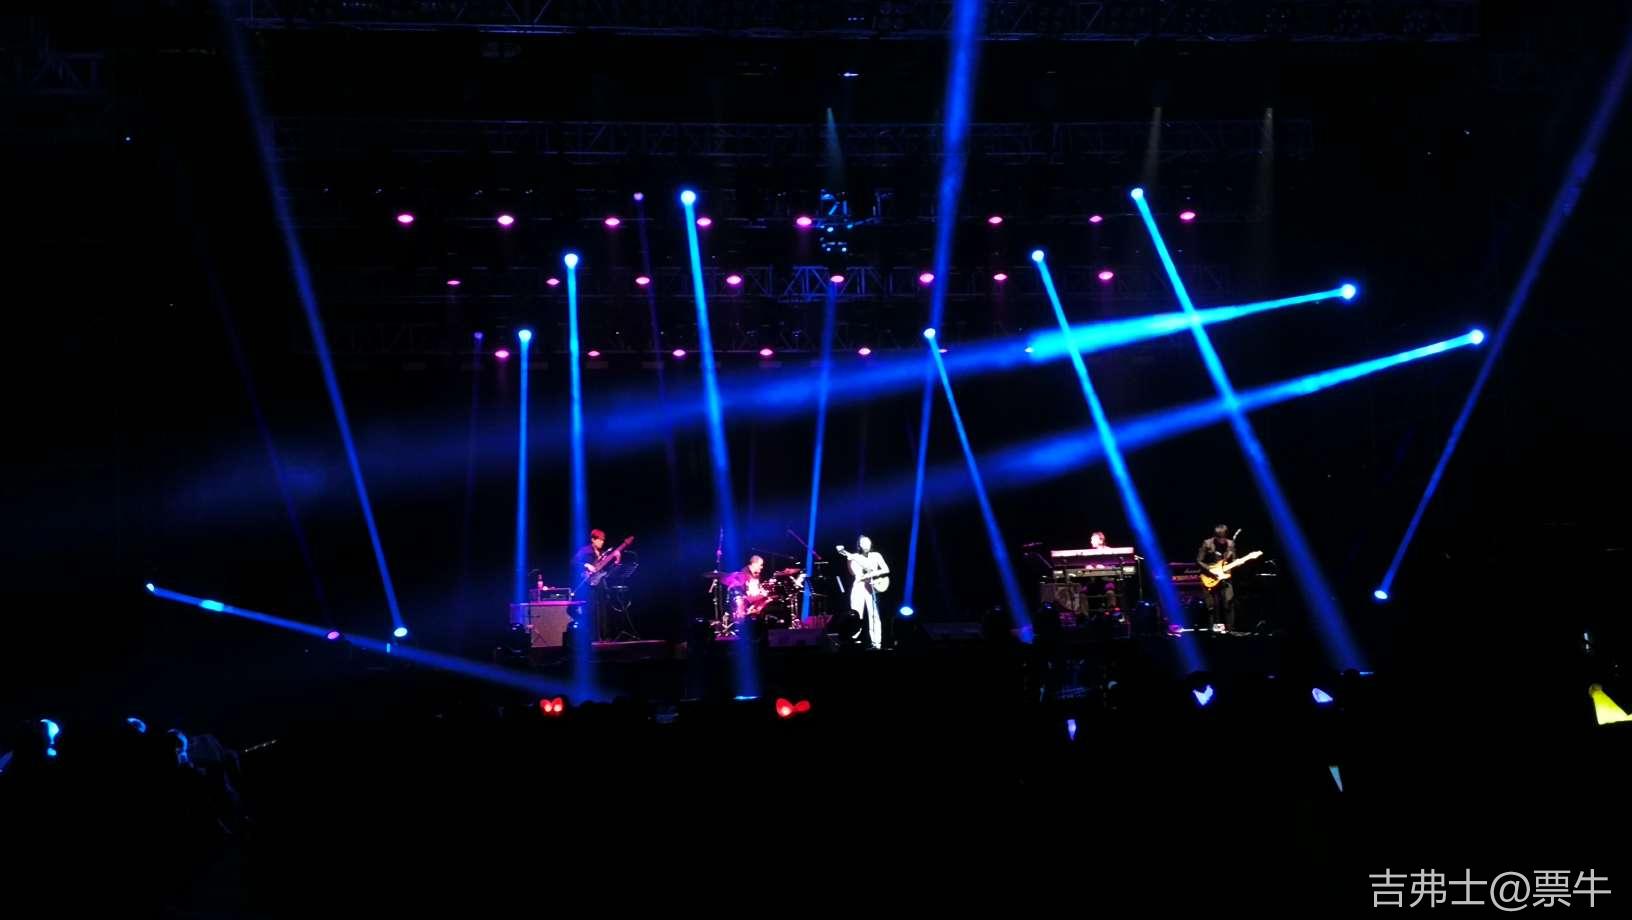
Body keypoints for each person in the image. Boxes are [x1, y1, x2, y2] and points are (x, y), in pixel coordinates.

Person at [570, 529, 622, 641]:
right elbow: (573, 562)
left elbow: (608, 571)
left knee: (603, 609)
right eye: (599, 540)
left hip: (600, 583)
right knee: (591, 609)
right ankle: (592, 637)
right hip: (588, 584)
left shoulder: (604, 553)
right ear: (593, 539)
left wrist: (617, 559)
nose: (602, 542)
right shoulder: (585, 551)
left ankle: (604, 636)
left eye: (603, 540)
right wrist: (586, 565)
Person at [845, 535, 890, 650]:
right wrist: (849, 560)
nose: (866, 545)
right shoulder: (854, 556)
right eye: (863, 543)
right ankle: (853, 641)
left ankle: (877, 644)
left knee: (874, 615)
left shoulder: (876, 555)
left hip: (872, 586)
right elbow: (852, 573)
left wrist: (872, 574)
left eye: (868, 542)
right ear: (859, 545)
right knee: (856, 615)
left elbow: (886, 569)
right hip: (858, 587)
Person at [1196, 524, 1237, 632]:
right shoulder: (1207, 543)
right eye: (1218, 537)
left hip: (1225, 576)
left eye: (1222, 537)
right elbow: (1199, 560)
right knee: (1212, 606)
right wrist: (1210, 570)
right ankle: (1212, 630)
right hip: (1209, 577)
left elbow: (1234, 561)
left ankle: (1230, 629)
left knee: (1228, 602)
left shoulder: (1231, 544)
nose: (1221, 540)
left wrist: (1234, 562)